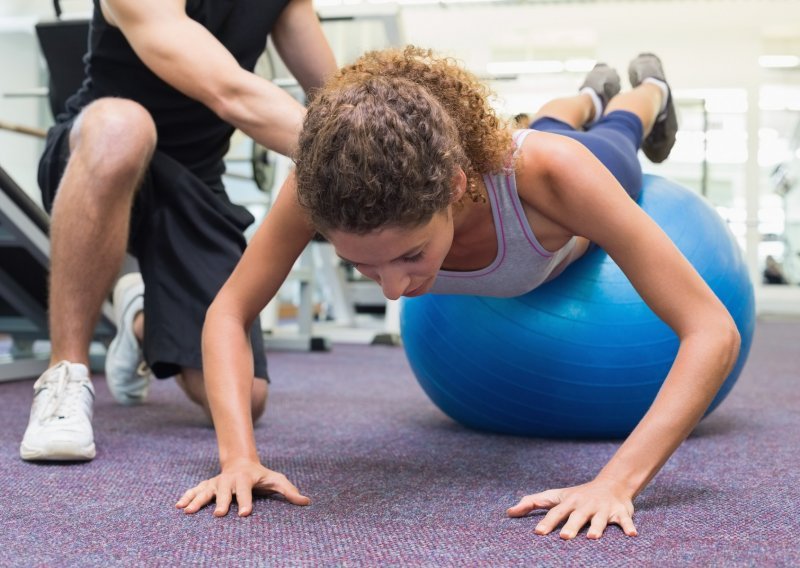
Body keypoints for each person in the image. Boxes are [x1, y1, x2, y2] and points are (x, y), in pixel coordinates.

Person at [176, 47, 741, 540]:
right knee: (547, 121)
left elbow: (713, 331)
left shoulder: (554, 175)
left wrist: (617, 483)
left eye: (410, 256)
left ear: (454, 188)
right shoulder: (319, 189)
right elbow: (229, 309)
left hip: (575, 173)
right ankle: (589, 92)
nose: (397, 293)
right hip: (523, 152)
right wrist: (238, 458)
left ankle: (647, 90)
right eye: (361, 267)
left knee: (613, 137)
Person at [19, 0, 337, 461]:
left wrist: (388, 136)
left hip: (196, 184)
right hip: (99, 154)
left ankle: (138, 320)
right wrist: (355, 152)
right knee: (125, 126)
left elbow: (335, 95)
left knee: (244, 399)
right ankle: (65, 374)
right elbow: (229, 92)